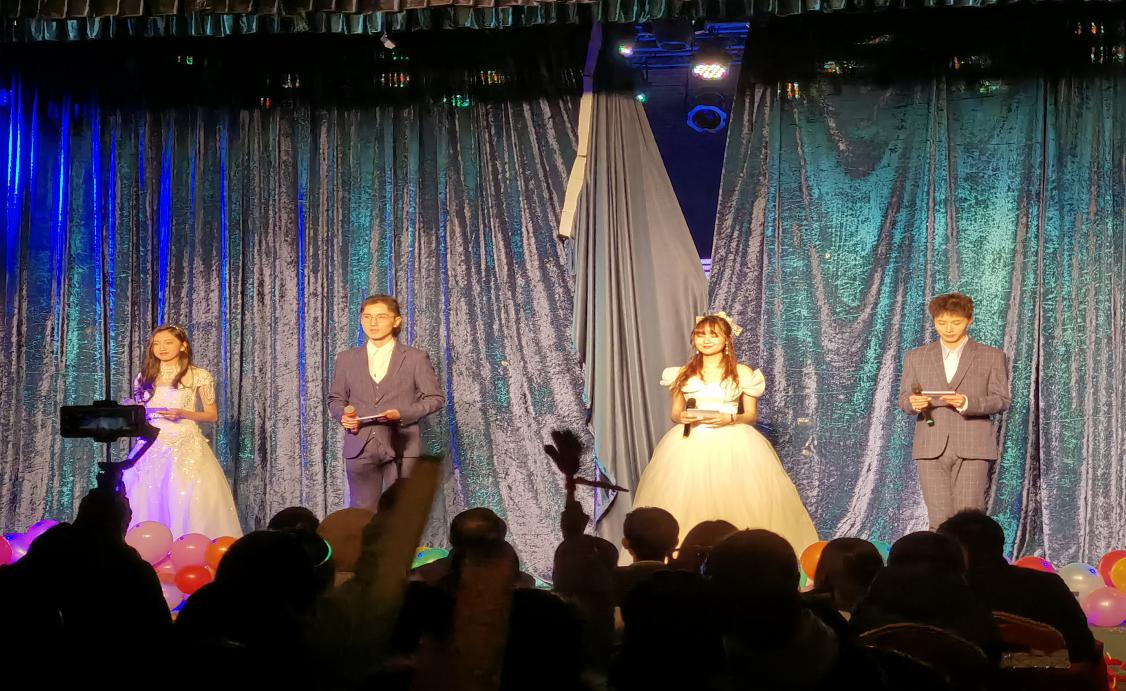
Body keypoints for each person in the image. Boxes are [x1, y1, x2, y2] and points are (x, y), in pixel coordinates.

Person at [631, 312, 818, 556]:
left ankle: (746, 557)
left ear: (727, 339)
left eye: (713, 335)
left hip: (734, 440)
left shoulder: (742, 373)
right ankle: (685, 557)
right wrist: (684, 417)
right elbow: (675, 413)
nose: (706, 340)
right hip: (691, 441)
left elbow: (750, 415)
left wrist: (729, 418)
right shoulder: (682, 373)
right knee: (688, 495)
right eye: (701, 335)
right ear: (693, 338)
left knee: (740, 498)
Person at [898, 292, 1011, 530]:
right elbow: (904, 399)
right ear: (934, 321)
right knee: (938, 521)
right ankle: (941, 556)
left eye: (956, 322)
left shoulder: (992, 356)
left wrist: (967, 403)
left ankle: (971, 556)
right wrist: (912, 403)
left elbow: (1002, 400)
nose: (948, 329)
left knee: (969, 521)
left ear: (969, 320)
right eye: (941, 322)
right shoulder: (915, 357)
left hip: (973, 445)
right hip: (930, 445)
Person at [123, 324, 242, 538]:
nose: (162, 348)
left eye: (168, 342)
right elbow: (141, 412)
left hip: (185, 444)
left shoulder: (199, 375)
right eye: (156, 344)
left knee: (186, 495)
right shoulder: (144, 377)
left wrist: (182, 413)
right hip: (151, 443)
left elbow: (212, 415)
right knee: (145, 494)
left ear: (183, 345)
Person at [328, 295, 444, 512]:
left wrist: (401, 414)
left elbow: (435, 399)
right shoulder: (346, 359)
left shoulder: (415, 358)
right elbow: (336, 399)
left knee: (401, 513)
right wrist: (343, 416)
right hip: (359, 445)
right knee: (360, 513)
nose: (373, 323)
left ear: (396, 320)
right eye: (367, 317)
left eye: (381, 317)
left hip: (402, 445)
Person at [937, 510, 1098, 663]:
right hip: (1047, 679)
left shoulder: (944, 593)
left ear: (958, 553)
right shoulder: (1048, 584)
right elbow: (1084, 651)